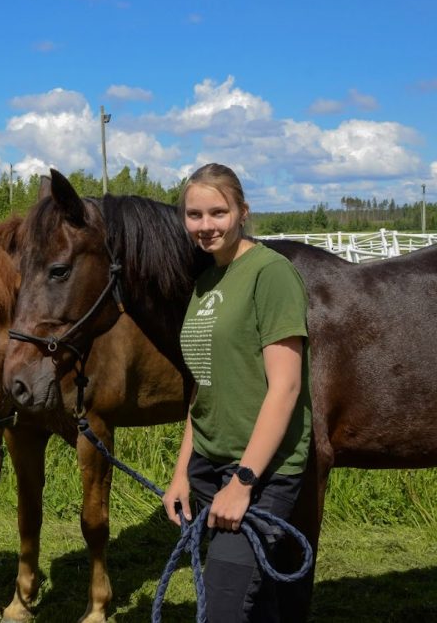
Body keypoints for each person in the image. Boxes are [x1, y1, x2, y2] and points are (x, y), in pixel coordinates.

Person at [162, 163, 312, 622]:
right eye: (194, 215)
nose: (205, 226)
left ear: (242, 212)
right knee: (256, 602)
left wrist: (243, 482)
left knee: (222, 607)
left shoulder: (271, 273)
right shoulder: (204, 284)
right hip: (209, 466)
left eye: (217, 212)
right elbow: (203, 386)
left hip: (259, 473)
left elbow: (285, 386)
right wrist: (183, 471)